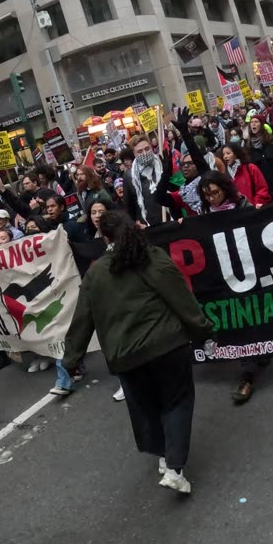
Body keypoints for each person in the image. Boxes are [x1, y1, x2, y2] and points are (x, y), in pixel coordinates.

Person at [63, 211, 213, 492]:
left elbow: (82, 319)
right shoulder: (151, 257)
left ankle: (162, 457)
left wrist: (71, 360)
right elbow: (180, 296)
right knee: (176, 402)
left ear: (104, 237)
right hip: (167, 345)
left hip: (126, 356)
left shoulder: (95, 273)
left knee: (146, 407)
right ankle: (175, 467)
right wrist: (203, 331)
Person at [245, 117, 273, 193]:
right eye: (251, 122)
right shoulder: (248, 145)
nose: (253, 124)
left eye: (256, 122)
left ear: (261, 125)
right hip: (263, 185)